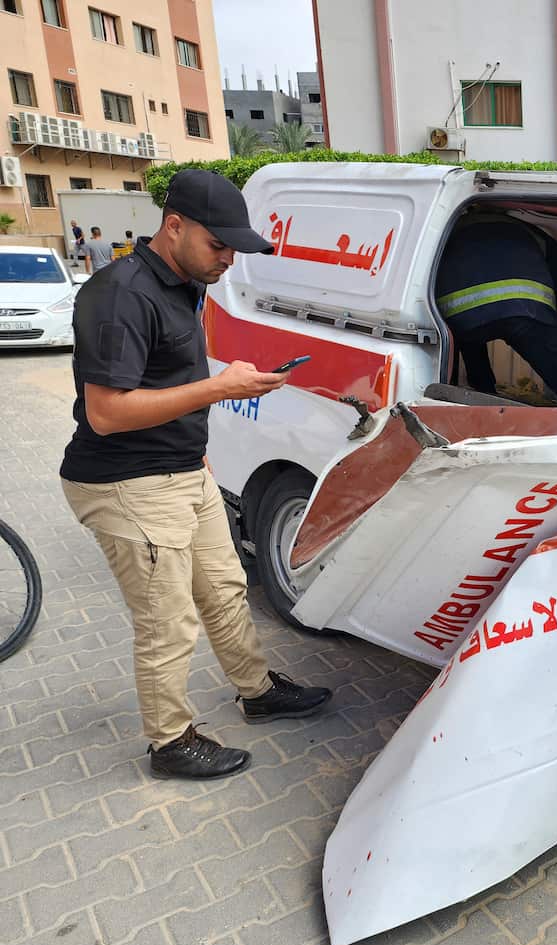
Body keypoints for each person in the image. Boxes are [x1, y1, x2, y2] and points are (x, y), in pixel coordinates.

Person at [60, 168, 332, 781]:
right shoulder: (120, 294)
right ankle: (170, 742)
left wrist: (199, 446)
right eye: (219, 244)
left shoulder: (186, 281)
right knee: (168, 618)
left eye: (234, 247)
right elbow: (105, 413)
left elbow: (163, 381)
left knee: (224, 586)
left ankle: (257, 690)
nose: (229, 260)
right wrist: (220, 386)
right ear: (173, 226)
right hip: (125, 482)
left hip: (183, 468)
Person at [436, 220, 557, 404]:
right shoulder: (524, 229)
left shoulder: (451, 227)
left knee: (470, 338)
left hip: (459, 311)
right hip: (524, 307)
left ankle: (483, 396)